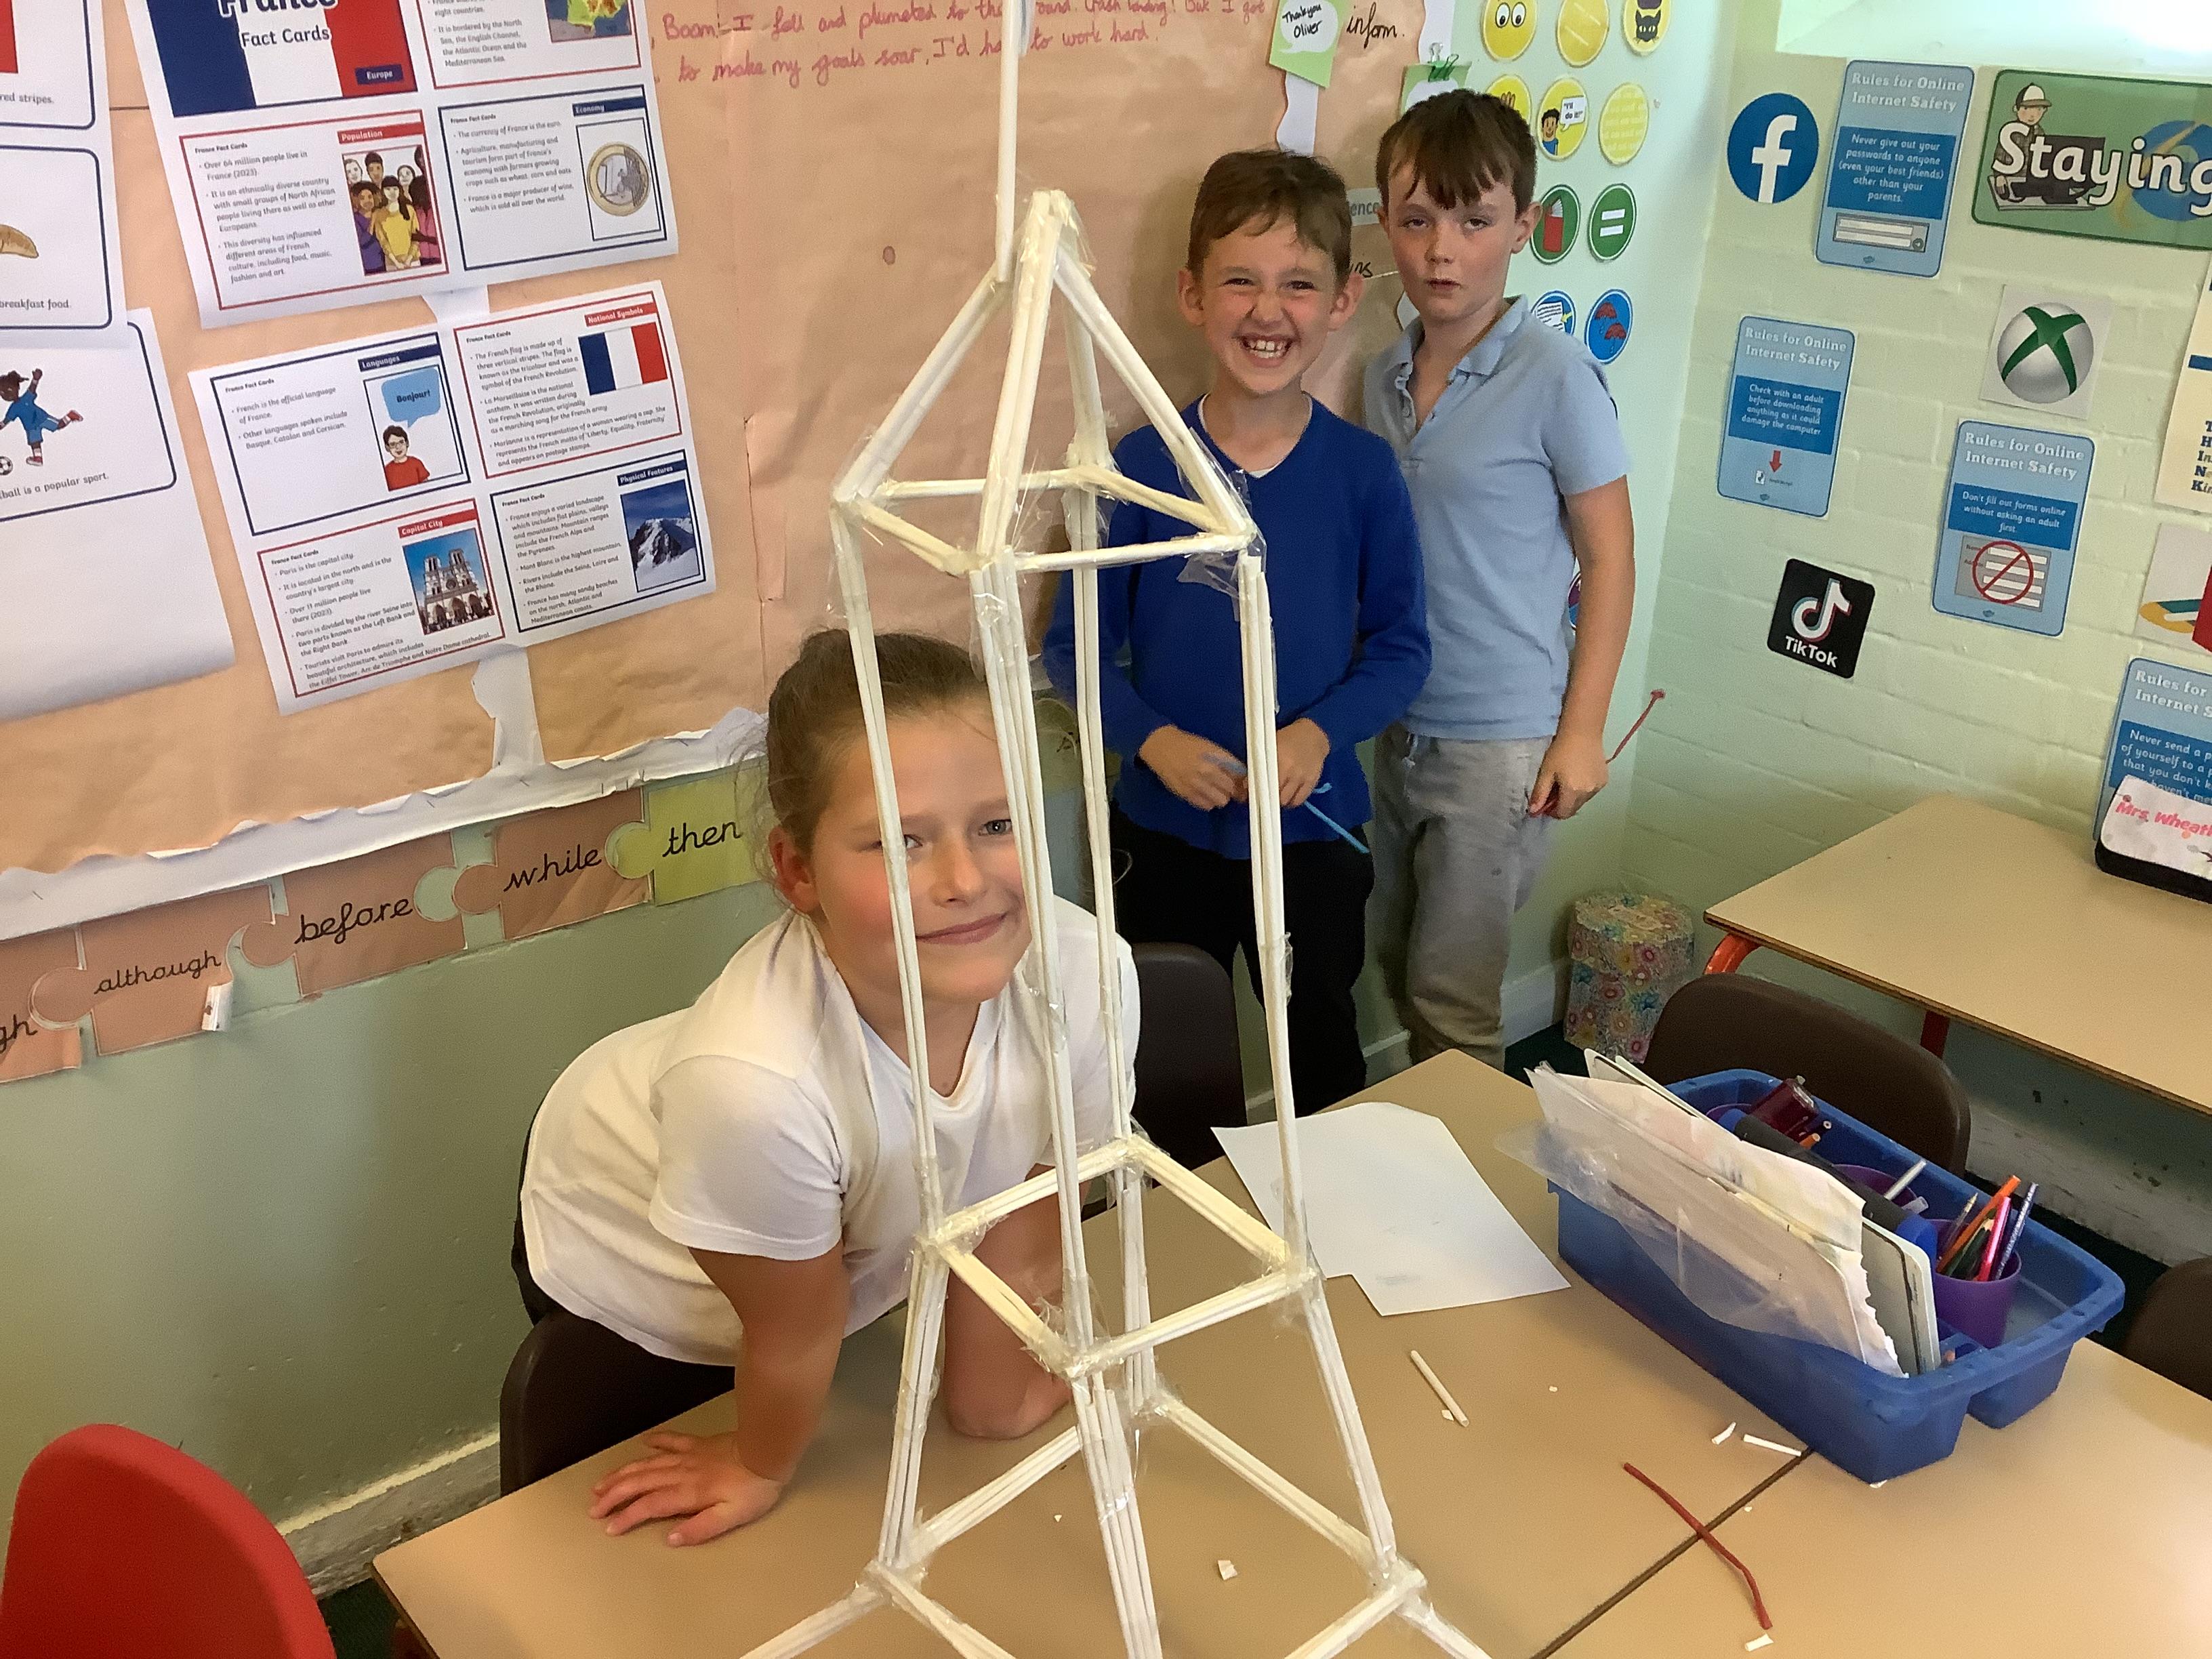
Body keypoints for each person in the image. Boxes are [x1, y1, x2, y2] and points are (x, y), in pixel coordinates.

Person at [519, 630, 1137, 1544]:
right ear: (797, 871)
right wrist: (758, 1463)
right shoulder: (752, 1088)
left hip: (839, 1224)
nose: (965, 880)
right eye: (900, 841)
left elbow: (1027, 1211)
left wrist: (994, 1397)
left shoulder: (1086, 975)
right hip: (647, 1239)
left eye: (997, 824)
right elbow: (792, 1331)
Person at [1042, 148, 1427, 1163]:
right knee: (1159, 1056)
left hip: (1314, 836)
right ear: (1192, 294)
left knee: (1321, 1046)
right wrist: (1150, 739)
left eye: (1299, 283)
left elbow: (1401, 649)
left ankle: (1331, 1222)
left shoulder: (1363, 474)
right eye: (1241, 280)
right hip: (1163, 836)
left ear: (1342, 301)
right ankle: (1174, 1229)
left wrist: (1321, 733)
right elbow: (1072, 646)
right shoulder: (1134, 470)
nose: (1268, 310)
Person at [1364, 91, 1634, 1071]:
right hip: (1396, 720)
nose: (1443, 251)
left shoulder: (1556, 376)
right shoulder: (1380, 378)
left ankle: (1470, 1161)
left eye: (1475, 222)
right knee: (1394, 965)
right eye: (1417, 220)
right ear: (1386, 223)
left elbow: (1610, 559)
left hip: (1502, 741)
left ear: (1523, 226)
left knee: (1454, 999)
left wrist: (1582, 732)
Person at [0, 368, 83, 466]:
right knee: (35, 443)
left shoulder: (26, 398)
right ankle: (38, 459)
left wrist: (35, 379)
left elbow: (32, 389)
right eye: (3, 393)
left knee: (59, 425)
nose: (7, 394)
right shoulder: (13, 409)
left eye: (9, 390)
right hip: (31, 428)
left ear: (17, 388)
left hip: (42, 418)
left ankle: (70, 415)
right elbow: (6, 421)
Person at [373, 178, 419, 269]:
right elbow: (383, 242)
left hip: (413, 261)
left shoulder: (409, 210)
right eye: (388, 189)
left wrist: (409, 259)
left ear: (399, 190)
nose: (392, 192)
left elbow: (416, 236)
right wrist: (396, 262)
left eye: (395, 189)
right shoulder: (379, 214)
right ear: (383, 192)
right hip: (392, 264)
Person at [351, 182, 385, 276]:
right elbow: (362, 241)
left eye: (370, 197)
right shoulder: (356, 219)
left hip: (385, 262)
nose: (367, 201)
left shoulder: (380, 214)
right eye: (362, 198)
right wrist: (372, 221)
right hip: (369, 265)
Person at [382, 425, 429, 489]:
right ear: (387, 448)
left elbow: (426, 486)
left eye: (401, 442)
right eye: (393, 444)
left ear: (407, 443)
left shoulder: (416, 463)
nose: (398, 447)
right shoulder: (387, 471)